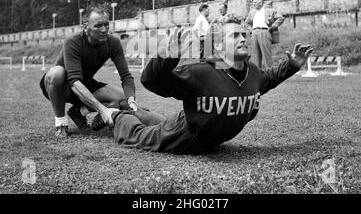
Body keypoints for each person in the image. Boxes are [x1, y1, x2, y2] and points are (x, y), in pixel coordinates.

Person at [91, 17, 313, 154]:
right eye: (235, 35)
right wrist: (168, 55)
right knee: (140, 135)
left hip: (201, 132)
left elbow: (269, 79)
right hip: (184, 136)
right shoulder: (200, 72)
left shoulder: (252, 72)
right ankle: (115, 114)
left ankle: (134, 110)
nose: (243, 39)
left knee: (161, 122)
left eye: (243, 34)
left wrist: (292, 65)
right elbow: (152, 81)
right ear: (217, 46)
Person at [39, 5, 144, 138]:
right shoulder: (73, 41)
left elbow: (126, 77)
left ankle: (78, 111)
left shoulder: (113, 43)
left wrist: (131, 101)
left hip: (84, 82)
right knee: (56, 73)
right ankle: (61, 124)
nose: (104, 29)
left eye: (106, 24)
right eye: (98, 25)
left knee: (121, 96)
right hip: (63, 85)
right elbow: (73, 81)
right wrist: (103, 110)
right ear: (85, 27)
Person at [245, 0, 284, 69]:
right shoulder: (252, 12)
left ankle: (269, 74)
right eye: (253, 2)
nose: (253, 4)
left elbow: (280, 18)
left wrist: (273, 26)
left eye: (255, 2)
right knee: (255, 55)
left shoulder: (270, 10)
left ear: (260, 3)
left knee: (266, 55)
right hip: (254, 33)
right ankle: (256, 74)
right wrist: (251, 30)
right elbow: (246, 23)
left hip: (265, 32)